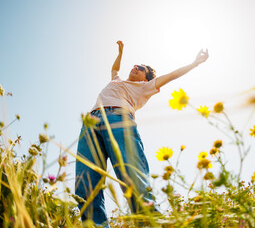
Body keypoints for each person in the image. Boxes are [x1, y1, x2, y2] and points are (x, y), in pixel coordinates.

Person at [75, 40, 209, 227]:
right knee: (85, 181)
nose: (136, 67)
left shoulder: (146, 87)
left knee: (131, 173)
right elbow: (114, 69)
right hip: (90, 124)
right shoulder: (116, 80)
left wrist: (195, 63)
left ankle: (149, 221)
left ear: (147, 78)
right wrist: (121, 53)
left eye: (141, 68)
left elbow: (171, 75)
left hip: (118, 120)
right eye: (135, 65)